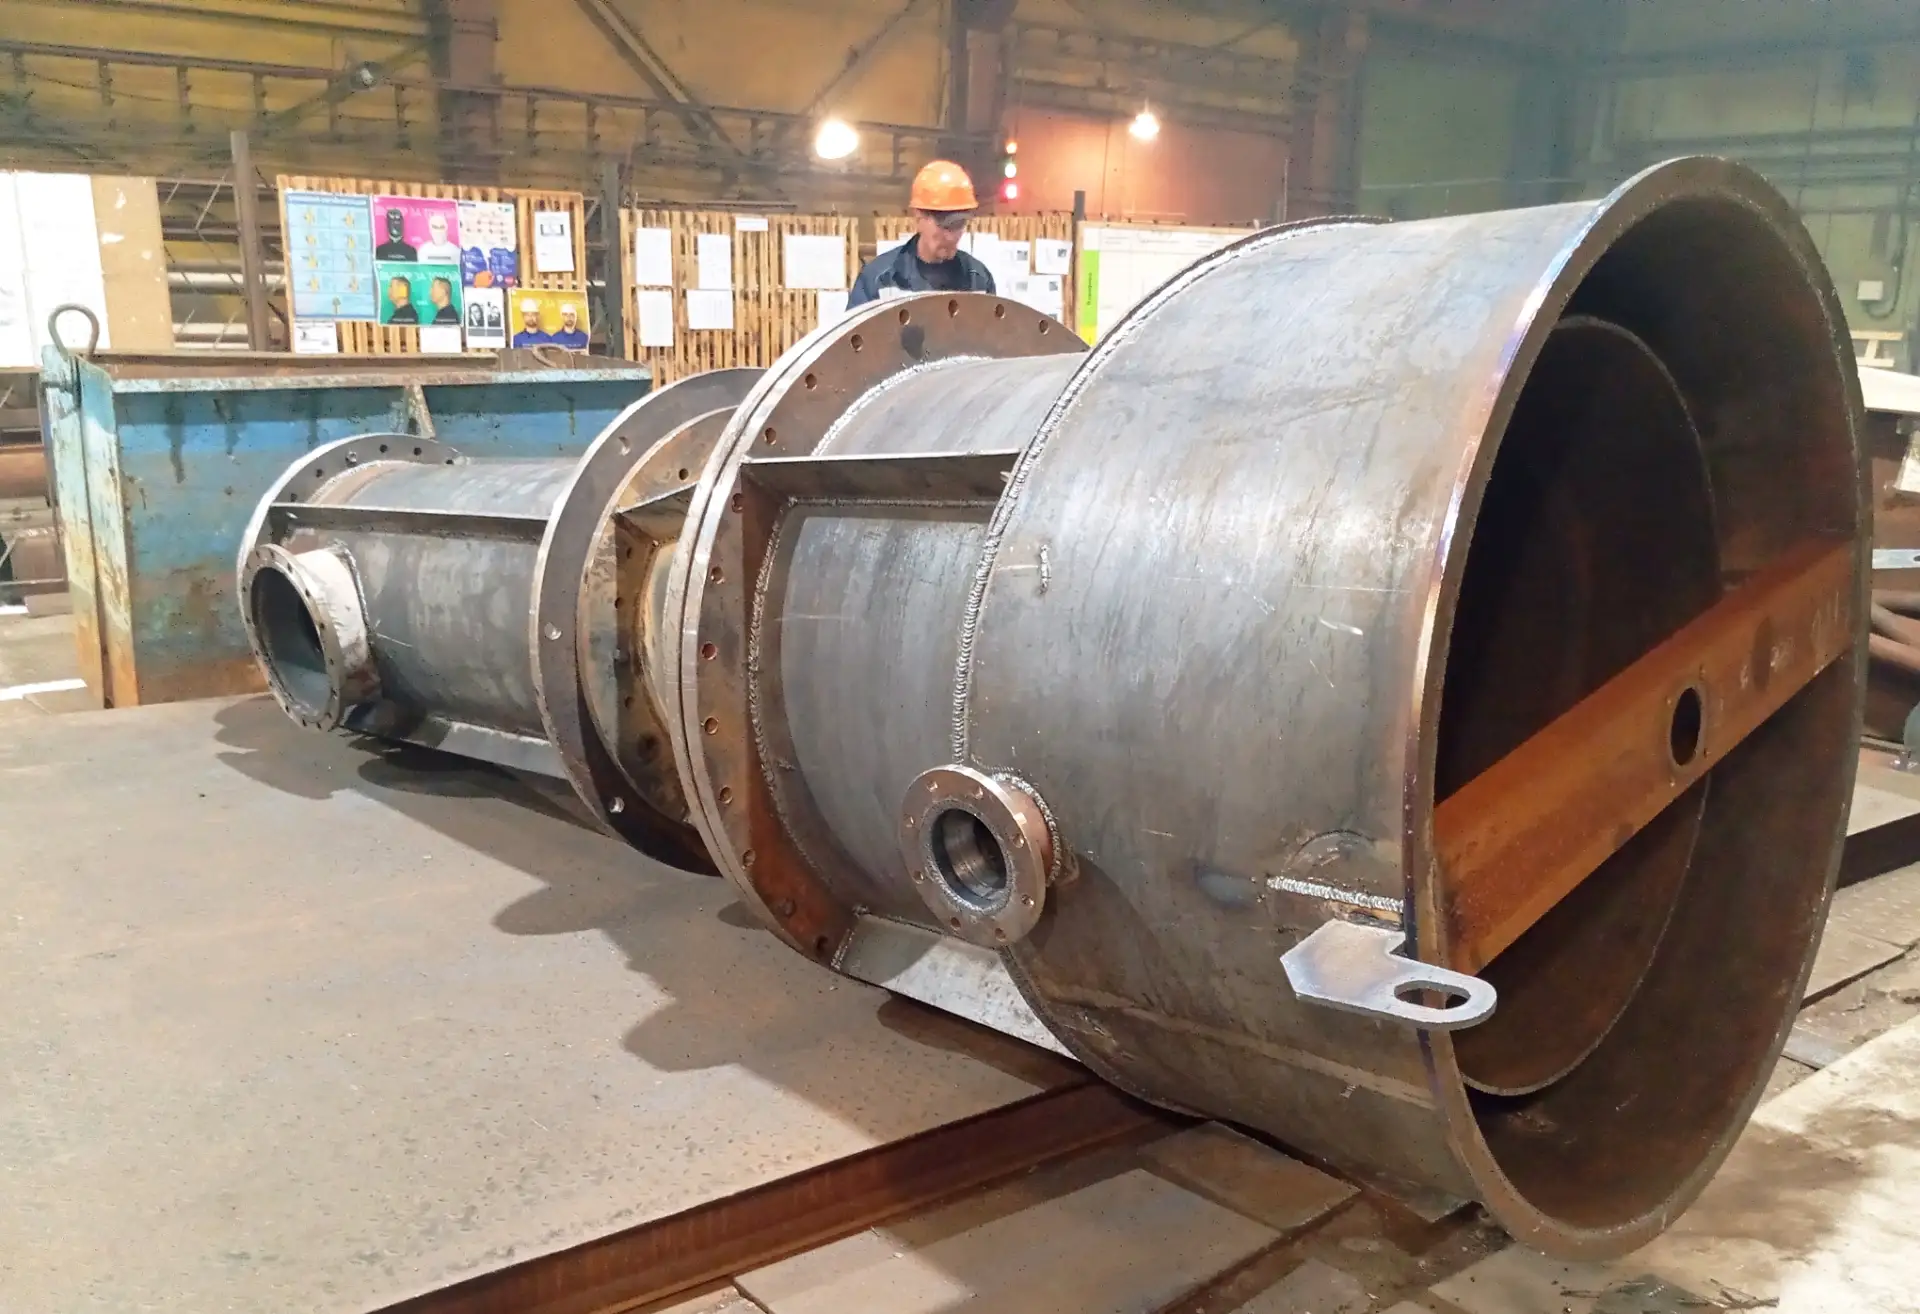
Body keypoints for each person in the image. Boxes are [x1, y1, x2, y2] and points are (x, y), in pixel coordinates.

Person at [847, 160, 995, 308]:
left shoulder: (979, 281)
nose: (951, 237)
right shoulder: (879, 280)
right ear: (918, 217)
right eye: (944, 226)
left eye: (958, 225)